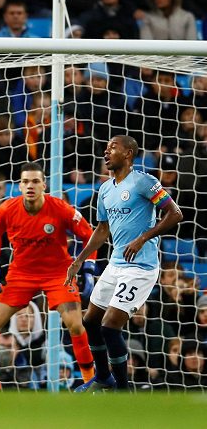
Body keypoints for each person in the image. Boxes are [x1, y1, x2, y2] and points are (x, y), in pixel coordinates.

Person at [67, 135, 183, 392]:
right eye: (106, 148)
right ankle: (103, 378)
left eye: (113, 148)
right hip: (116, 264)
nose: (106, 153)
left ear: (129, 153)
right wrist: (79, 260)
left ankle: (122, 390)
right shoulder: (106, 189)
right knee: (90, 322)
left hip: (141, 268)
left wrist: (143, 238)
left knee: (109, 326)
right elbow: (102, 229)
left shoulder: (144, 182)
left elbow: (175, 213)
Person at [0, 162, 97, 390]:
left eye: (34, 181)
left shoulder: (60, 208)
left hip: (58, 274)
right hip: (21, 273)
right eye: (25, 181)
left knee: (76, 325)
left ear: (44, 185)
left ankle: (90, 383)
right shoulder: (6, 209)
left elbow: (88, 234)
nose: (29, 185)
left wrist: (88, 269)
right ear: (19, 186)